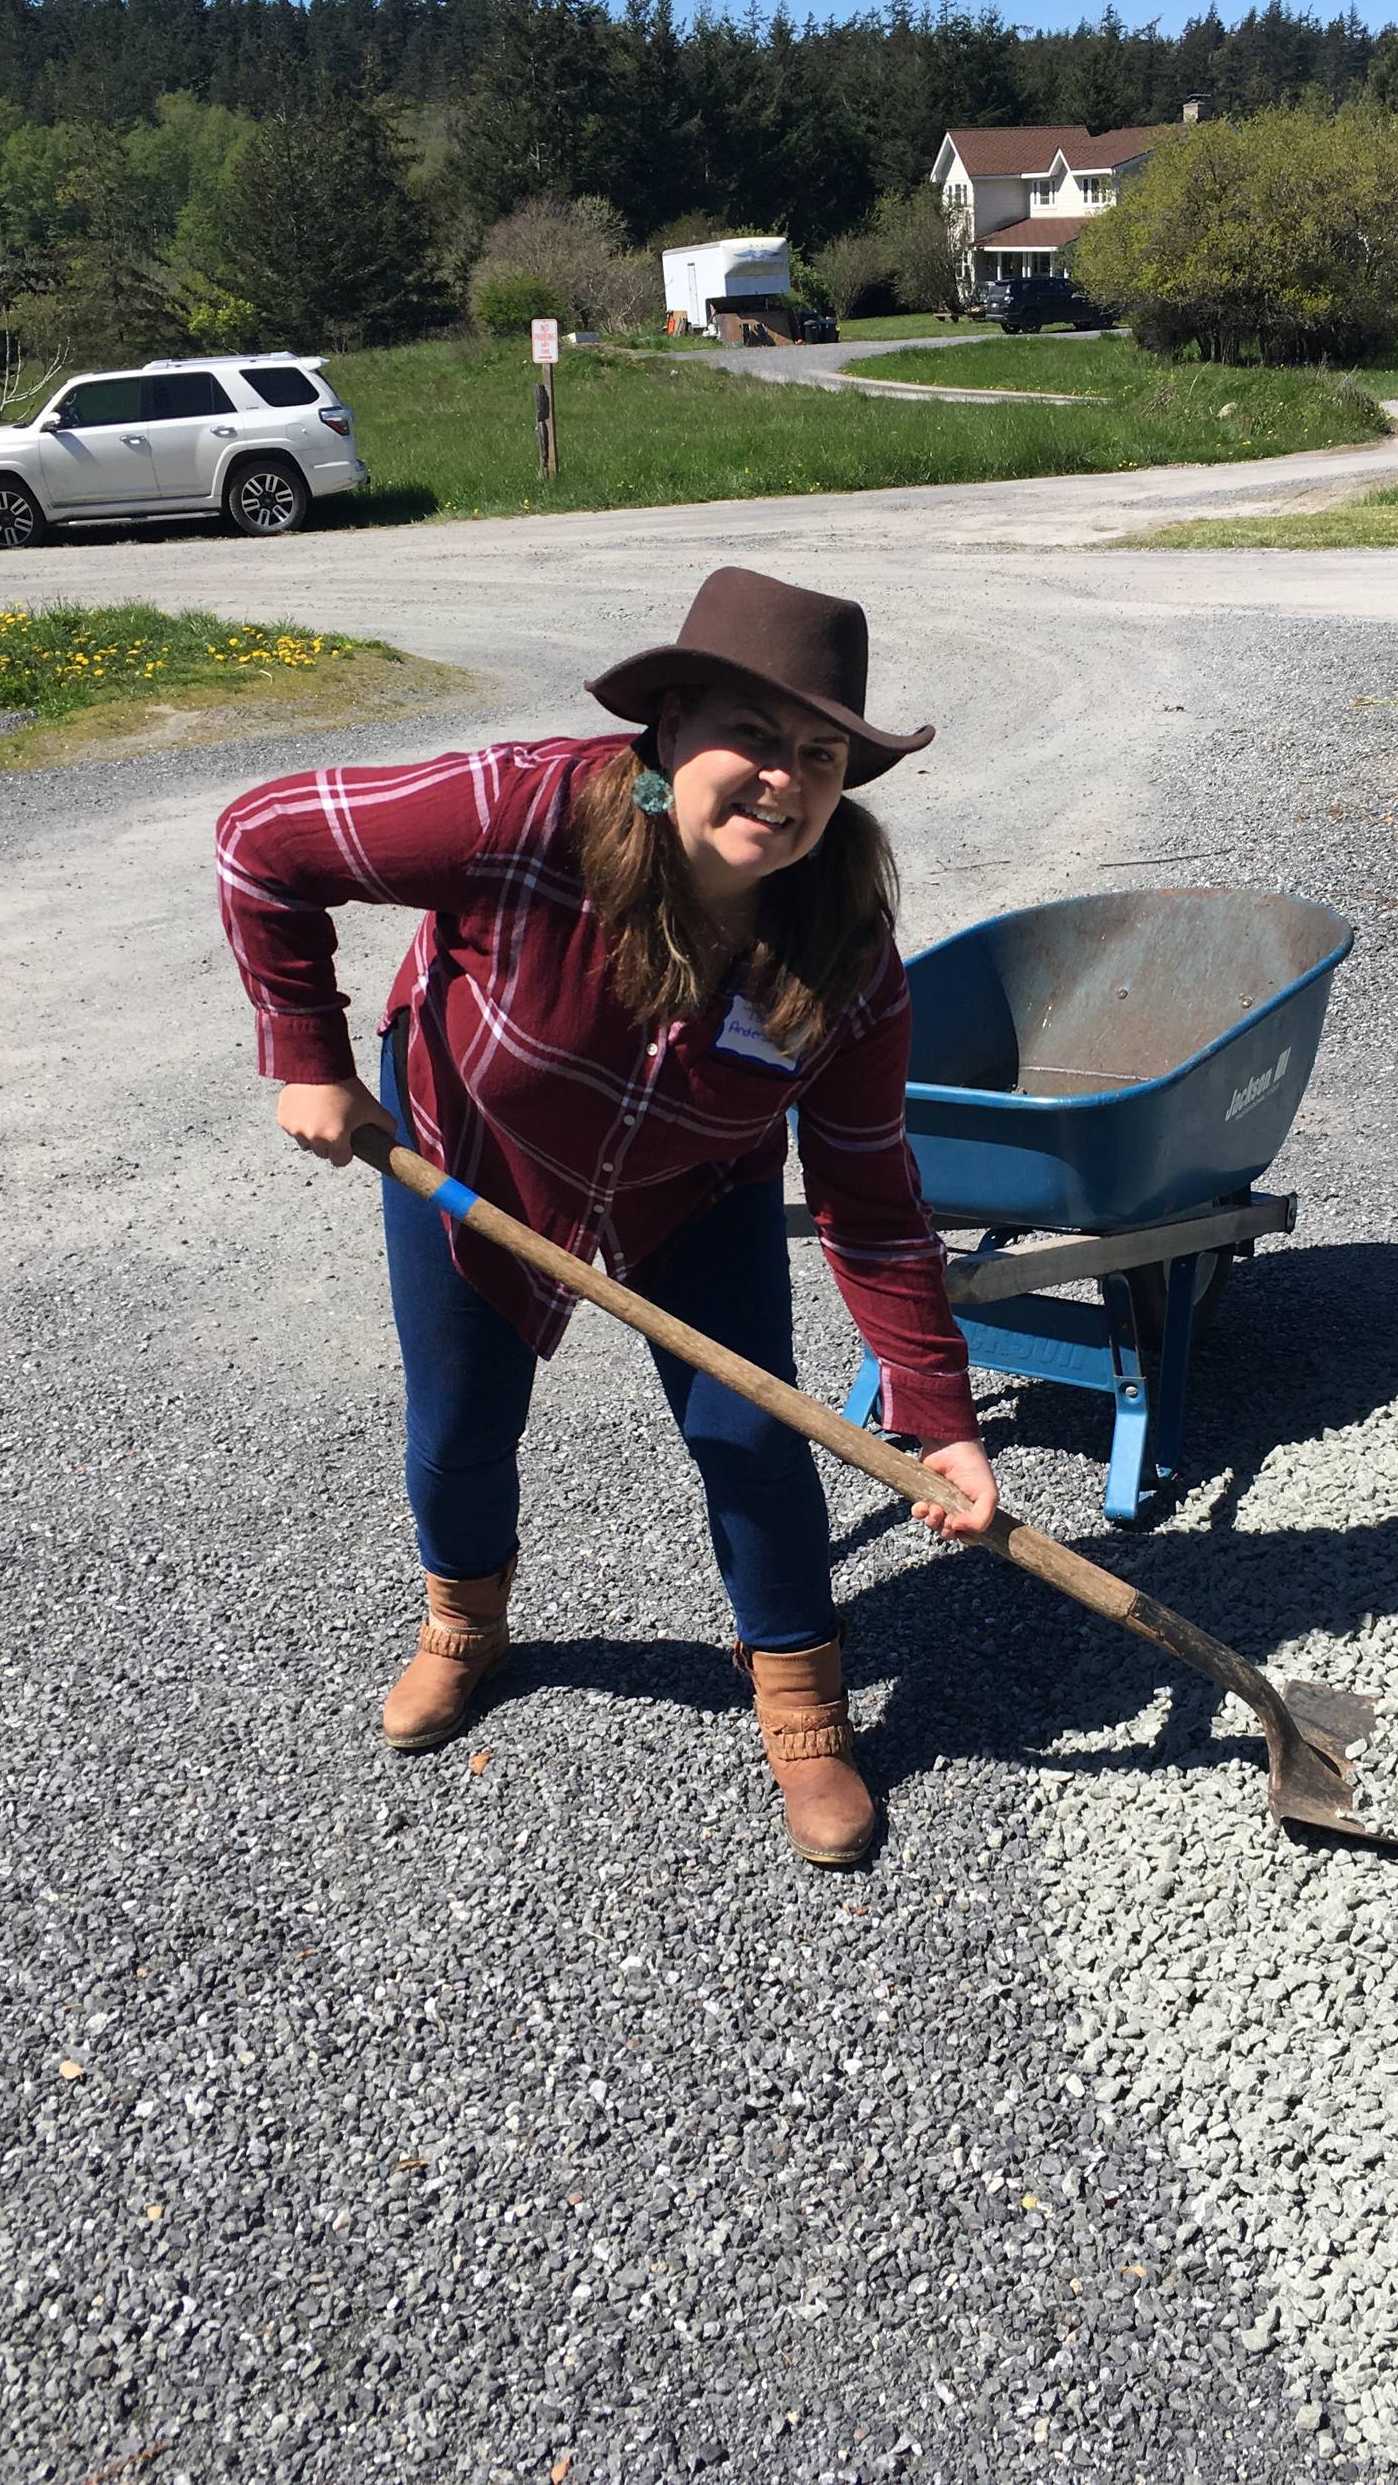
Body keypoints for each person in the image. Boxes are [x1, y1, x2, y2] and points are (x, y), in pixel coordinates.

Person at [215, 566, 998, 1868]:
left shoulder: (845, 951)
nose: (786, 783)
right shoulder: (524, 816)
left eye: (820, 756)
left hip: (696, 1184)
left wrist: (939, 1415)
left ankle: (803, 1707)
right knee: (463, 1423)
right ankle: (465, 1627)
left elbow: (869, 1196)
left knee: (752, 1433)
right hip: (474, 1150)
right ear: (670, 727)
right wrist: (309, 1056)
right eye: (753, 737)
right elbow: (263, 840)